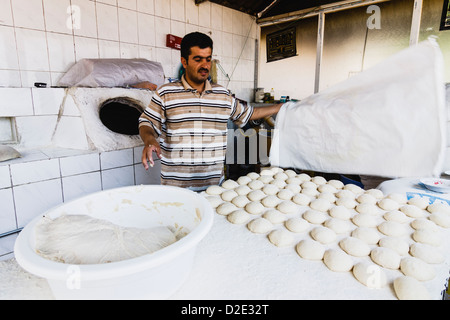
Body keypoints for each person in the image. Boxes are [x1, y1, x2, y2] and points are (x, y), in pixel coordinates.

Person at [139, 32, 283, 191]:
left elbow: (248, 114)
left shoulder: (222, 95)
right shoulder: (166, 93)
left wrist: (281, 107)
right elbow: (147, 123)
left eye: (208, 59)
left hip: (213, 187)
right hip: (177, 187)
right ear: (184, 62)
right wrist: (149, 140)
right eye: (198, 59)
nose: (205, 65)